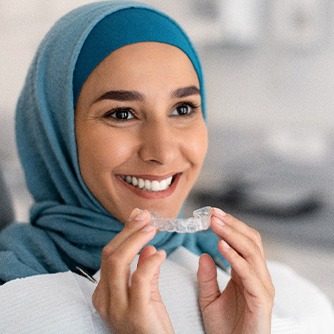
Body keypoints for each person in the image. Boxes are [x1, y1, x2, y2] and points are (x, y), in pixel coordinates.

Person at [0, 1, 333, 333]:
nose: (162, 151)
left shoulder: (258, 292)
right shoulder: (14, 298)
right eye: (121, 113)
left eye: (183, 108)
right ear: (55, 130)